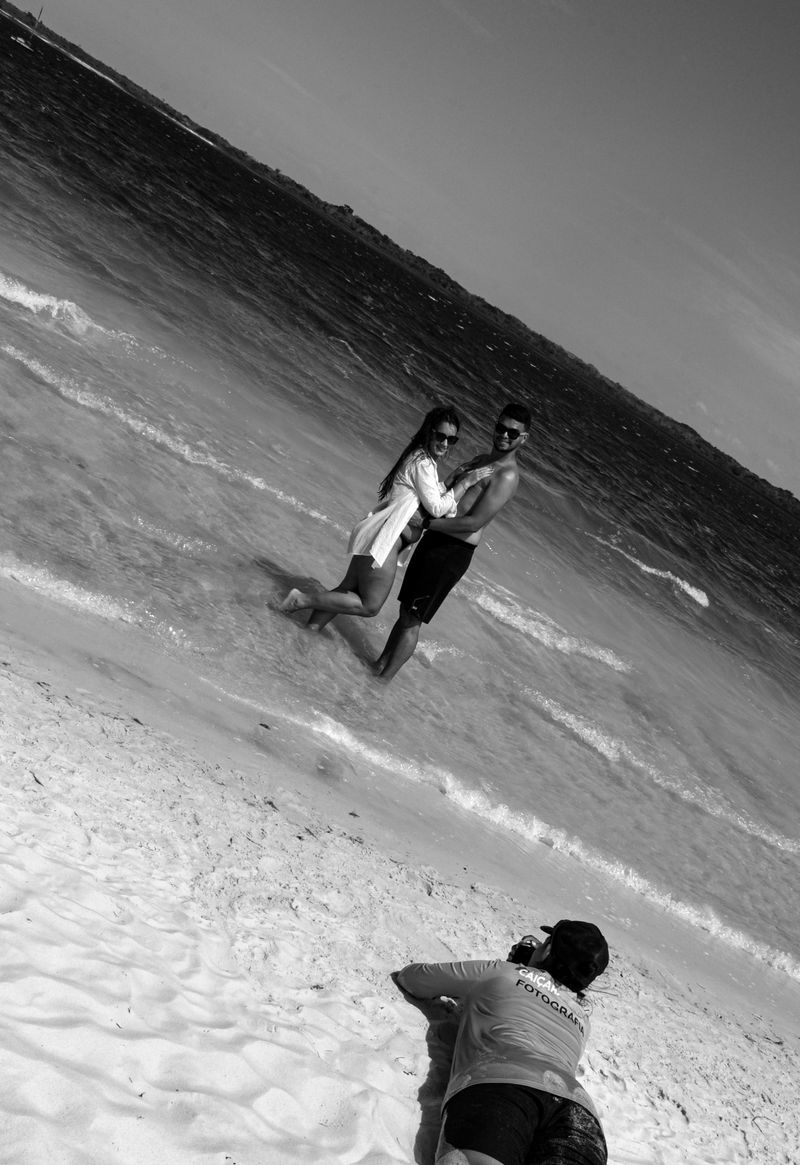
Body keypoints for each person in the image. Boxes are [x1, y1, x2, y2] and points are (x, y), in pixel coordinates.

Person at [395, 919, 610, 1165]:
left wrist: (509, 969)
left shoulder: (503, 972)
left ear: (548, 950)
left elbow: (413, 979)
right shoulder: (582, 1020)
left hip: (501, 1084)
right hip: (578, 1110)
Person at [278, 406, 492, 627]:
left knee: (347, 590)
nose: (445, 443)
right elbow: (437, 508)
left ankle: (309, 630)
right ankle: (301, 599)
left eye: (451, 439)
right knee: (370, 606)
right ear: (429, 432)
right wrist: (466, 483)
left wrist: (450, 481)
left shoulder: (420, 458)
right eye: (441, 436)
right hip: (387, 541)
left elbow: (424, 496)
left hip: (381, 534)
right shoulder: (423, 462)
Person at [374, 401, 531, 680]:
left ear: (523, 438)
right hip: (435, 538)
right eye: (501, 428)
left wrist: (426, 523)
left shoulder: (507, 476)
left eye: (512, 433)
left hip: (452, 550)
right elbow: (443, 490)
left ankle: (383, 681)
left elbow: (474, 522)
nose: (504, 435)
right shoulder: (482, 460)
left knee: (413, 620)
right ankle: (377, 668)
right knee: (405, 611)